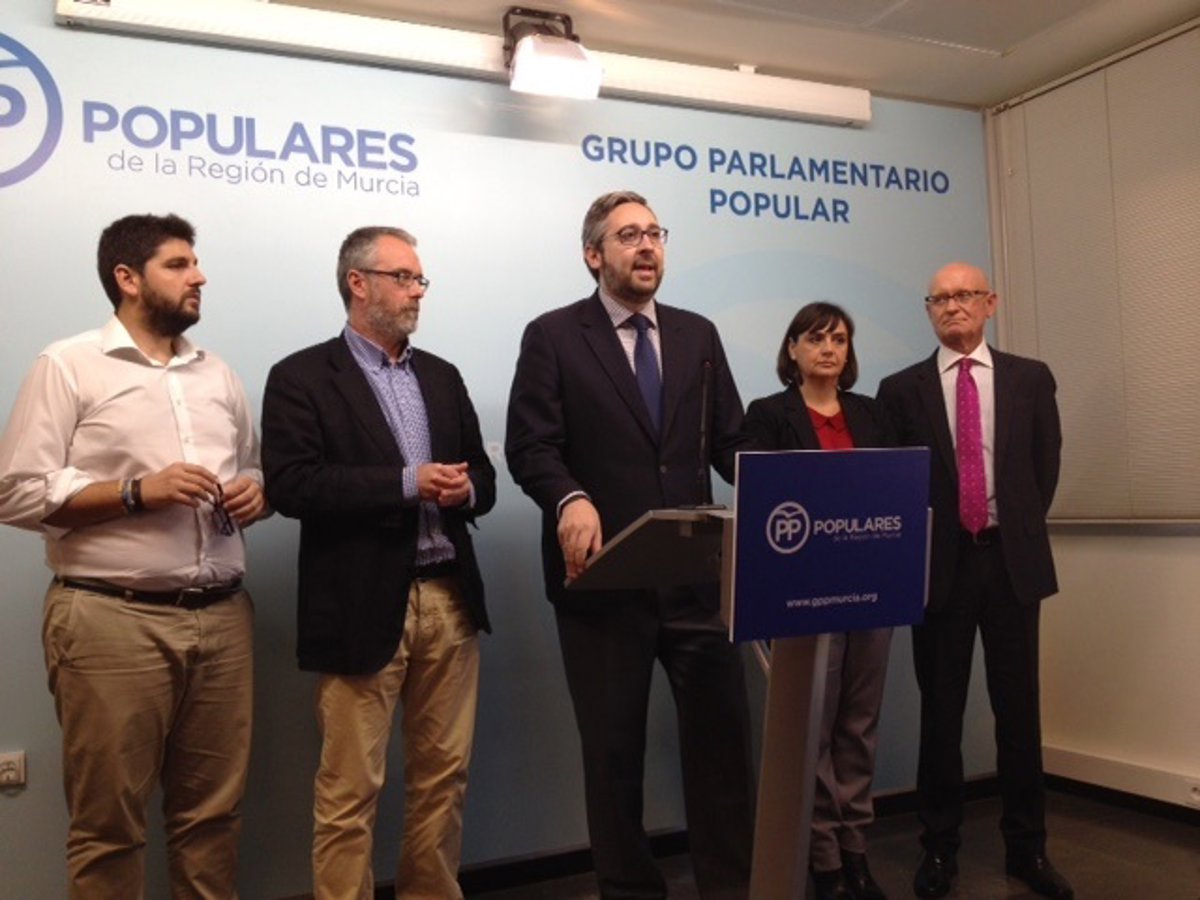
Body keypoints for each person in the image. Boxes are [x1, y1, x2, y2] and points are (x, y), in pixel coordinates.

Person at [0, 213, 266, 899]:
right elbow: (16, 492)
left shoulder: (218, 373)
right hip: (112, 621)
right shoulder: (67, 365)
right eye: (178, 264)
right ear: (127, 278)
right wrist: (135, 492)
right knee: (108, 828)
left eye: (195, 263)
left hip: (223, 619)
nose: (199, 276)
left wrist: (254, 493)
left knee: (213, 820)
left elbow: (253, 469)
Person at [505, 190, 756, 899]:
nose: (647, 246)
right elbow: (531, 446)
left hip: (697, 577)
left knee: (724, 749)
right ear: (594, 255)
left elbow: (730, 443)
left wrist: (787, 490)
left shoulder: (697, 335)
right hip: (604, 581)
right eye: (628, 236)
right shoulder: (554, 336)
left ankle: (731, 889)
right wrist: (569, 497)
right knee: (614, 758)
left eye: (654, 233)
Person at [261, 226, 495, 900]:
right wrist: (406, 483)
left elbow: (483, 476)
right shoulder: (302, 377)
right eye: (403, 277)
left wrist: (464, 489)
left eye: (420, 279)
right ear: (357, 283)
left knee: (444, 779)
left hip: (449, 597)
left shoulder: (441, 375)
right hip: (359, 604)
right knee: (350, 789)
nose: (417, 291)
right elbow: (294, 485)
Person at [876, 263, 1070, 899]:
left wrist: (1010, 526)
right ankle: (939, 849)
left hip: (1010, 563)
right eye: (940, 298)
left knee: (1019, 712)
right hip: (941, 568)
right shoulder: (899, 390)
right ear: (928, 310)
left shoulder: (1029, 378)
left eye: (964, 295)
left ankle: (1028, 849)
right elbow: (897, 486)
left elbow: (1044, 466)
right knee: (941, 713)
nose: (952, 306)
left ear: (991, 303)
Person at [743, 302, 892, 900]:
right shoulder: (767, 416)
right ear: (793, 349)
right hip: (805, 594)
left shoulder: (873, 414)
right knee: (816, 728)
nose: (829, 349)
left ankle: (856, 848)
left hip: (875, 586)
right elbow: (761, 500)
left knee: (860, 723)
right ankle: (824, 857)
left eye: (839, 339)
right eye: (816, 338)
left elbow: (895, 491)